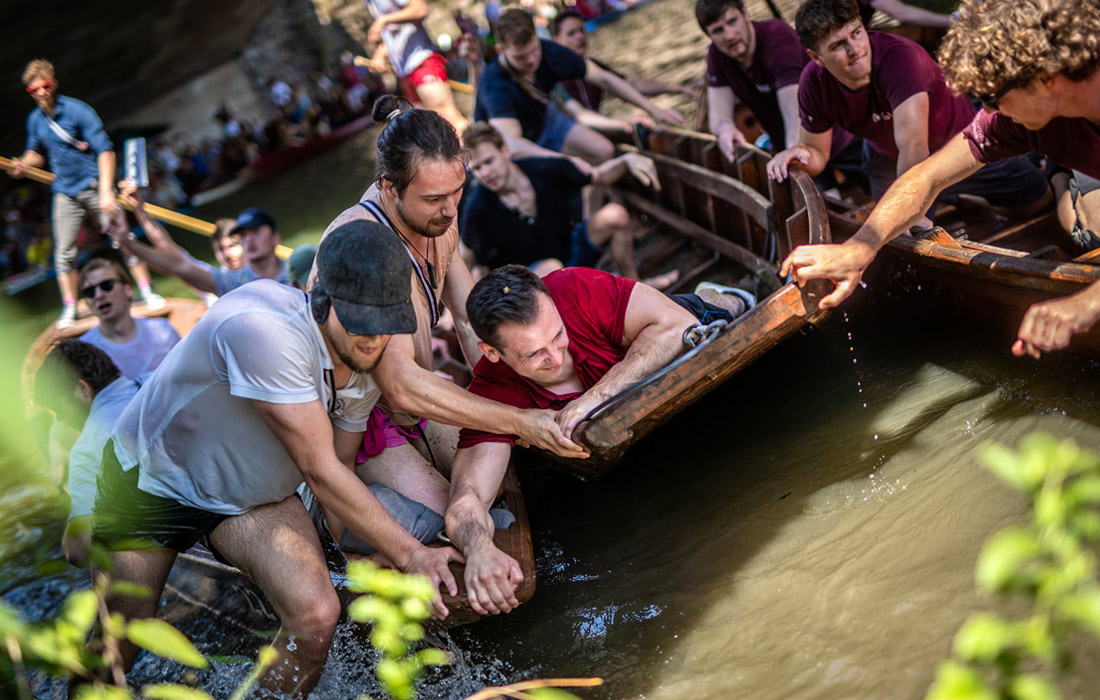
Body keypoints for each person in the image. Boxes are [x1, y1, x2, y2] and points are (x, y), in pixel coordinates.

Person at [92, 222, 463, 696]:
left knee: (317, 615)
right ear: (322, 303)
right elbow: (319, 470)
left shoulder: (370, 356)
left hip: (249, 496)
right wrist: (412, 553)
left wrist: (362, 559)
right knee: (118, 640)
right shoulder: (265, 331)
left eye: (386, 324)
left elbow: (341, 471)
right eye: (361, 324)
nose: (374, 340)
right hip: (152, 482)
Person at [318, 96, 589, 522]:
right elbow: (400, 386)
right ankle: (337, 508)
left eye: (458, 191)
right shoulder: (361, 244)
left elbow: (468, 317)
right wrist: (519, 420)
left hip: (419, 400)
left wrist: (525, 393)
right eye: (433, 199)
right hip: (362, 416)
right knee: (445, 514)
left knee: (493, 487)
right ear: (389, 187)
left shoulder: (440, 212)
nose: (449, 211)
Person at [778, 0, 1100, 358]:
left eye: (992, 98)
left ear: (1045, 79)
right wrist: (860, 247)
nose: (988, 111)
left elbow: (914, 144)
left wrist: (1087, 303)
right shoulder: (1008, 119)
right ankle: (1059, 171)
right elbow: (927, 177)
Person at [444, 265, 750, 614]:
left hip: (662, 334)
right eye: (533, 355)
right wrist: (479, 548)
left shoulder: (574, 288)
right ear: (492, 352)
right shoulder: (493, 390)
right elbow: (465, 499)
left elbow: (676, 324)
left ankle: (718, 291)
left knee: (724, 307)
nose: (556, 358)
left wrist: (593, 398)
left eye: (557, 335)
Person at [765, 0, 1050, 224]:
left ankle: (961, 196)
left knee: (1037, 200)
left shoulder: (901, 57)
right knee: (903, 238)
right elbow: (817, 155)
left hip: (961, 142)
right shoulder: (813, 84)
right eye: (838, 45)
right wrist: (799, 155)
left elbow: (913, 144)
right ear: (816, 57)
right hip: (886, 157)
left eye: (856, 33)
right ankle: (944, 200)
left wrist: (905, 213)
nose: (855, 49)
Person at [7, 59, 164, 327]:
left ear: (53, 83)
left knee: (122, 239)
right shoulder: (35, 120)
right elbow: (37, 154)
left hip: (93, 184)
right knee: (63, 253)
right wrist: (23, 163)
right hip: (65, 192)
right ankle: (69, 308)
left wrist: (105, 192)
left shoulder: (78, 111)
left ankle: (146, 290)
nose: (41, 93)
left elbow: (105, 150)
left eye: (44, 86)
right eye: (34, 91)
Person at [461, 121, 676, 286]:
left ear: (505, 151)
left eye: (489, 161)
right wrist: (452, 312)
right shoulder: (478, 208)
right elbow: (466, 258)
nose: (486, 173)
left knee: (615, 215)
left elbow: (598, 176)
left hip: (572, 251)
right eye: (477, 168)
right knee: (551, 267)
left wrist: (627, 160)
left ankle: (634, 285)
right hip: (535, 283)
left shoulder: (542, 169)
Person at [474, 8, 685, 165]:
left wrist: (653, 108)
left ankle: (592, 216)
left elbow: (605, 78)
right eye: (521, 57)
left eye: (534, 50)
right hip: (508, 146)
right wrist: (563, 160)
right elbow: (512, 143)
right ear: (501, 50)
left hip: (546, 120)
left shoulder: (551, 52)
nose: (531, 61)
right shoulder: (495, 85)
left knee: (603, 151)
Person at [33, 339, 139, 568]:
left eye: (60, 409)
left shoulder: (85, 450)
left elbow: (78, 551)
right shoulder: (152, 380)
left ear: (82, 389)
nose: (61, 419)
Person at [112, 194, 288, 296]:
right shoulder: (232, 282)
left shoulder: (302, 269)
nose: (249, 239)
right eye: (243, 235)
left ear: (276, 238)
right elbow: (176, 263)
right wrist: (127, 241)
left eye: (256, 231)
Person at [551, 9, 693, 120]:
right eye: (571, 34)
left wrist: (679, 88)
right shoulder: (553, 75)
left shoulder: (593, 66)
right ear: (557, 41)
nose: (580, 36)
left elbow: (631, 84)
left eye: (581, 30)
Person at [365, 0, 469, 131]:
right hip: (404, 72)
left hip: (422, 62)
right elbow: (394, 33)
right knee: (432, 129)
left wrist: (383, 20)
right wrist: (381, 54)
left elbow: (420, 9)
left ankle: (482, 148)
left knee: (448, 120)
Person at [76, 257, 180, 379]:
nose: (98, 295)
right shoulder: (85, 351)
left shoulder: (163, 330)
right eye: (89, 291)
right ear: (87, 303)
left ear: (128, 290)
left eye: (106, 285)